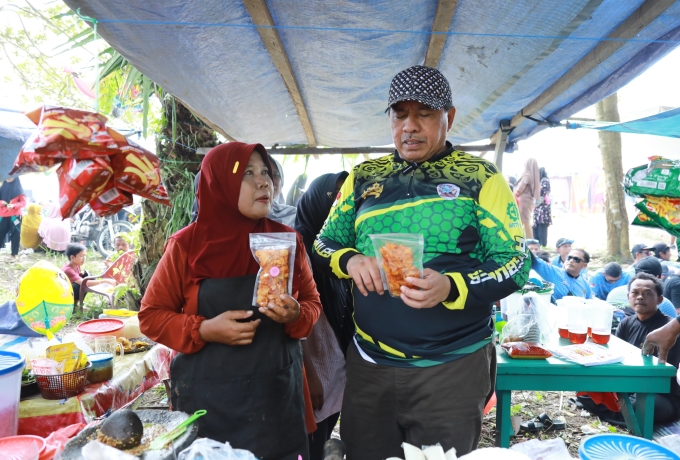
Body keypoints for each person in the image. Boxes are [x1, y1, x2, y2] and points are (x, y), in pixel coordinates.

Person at [313, 65, 529, 457]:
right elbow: (325, 242)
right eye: (400, 114)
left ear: (449, 117)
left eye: (424, 113)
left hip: (451, 368)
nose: (409, 126)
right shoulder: (363, 177)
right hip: (370, 363)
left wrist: (452, 286)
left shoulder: (480, 178)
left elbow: (515, 264)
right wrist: (351, 260)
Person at [139, 143, 321, 460]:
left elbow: (312, 304)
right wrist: (205, 329)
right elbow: (151, 316)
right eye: (248, 173)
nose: (264, 181)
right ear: (219, 183)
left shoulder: (287, 241)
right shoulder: (186, 246)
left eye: (265, 172)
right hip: (210, 404)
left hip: (275, 401)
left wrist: (295, 315)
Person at [295, 172, 351, 460]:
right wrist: (309, 377)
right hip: (313, 366)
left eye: (347, 197)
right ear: (318, 200)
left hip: (334, 366)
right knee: (309, 442)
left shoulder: (345, 248)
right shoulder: (295, 248)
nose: (342, 206)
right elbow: (293, 319)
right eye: (335, 198)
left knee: (323, 432)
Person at [578, 273, 680, 426]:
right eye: (635, 293)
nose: (640, 297)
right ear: (628, 296)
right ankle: (624, 416)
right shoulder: (626, 322)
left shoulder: (669, 330)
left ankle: (619, 415)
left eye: (647, 293)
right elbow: (616, 358)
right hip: (627, 386)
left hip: (660, 393)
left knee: (644, 405)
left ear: (659, 299)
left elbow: (663, 376)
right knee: (584, 390)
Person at [190, 155, 297, 227]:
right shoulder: (185, 241)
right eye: (249, 173)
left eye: (265, 172)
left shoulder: (294, 217)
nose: (267, 181)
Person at [606, 257, 677, 317]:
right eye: (634, 293)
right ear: (658, 277)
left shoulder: (613, 293)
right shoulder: (661, 302)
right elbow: (676, 330)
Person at [514, 158, 540, 239]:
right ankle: (524, 239)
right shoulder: (534, 176)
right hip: (529, 200)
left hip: (523, 200)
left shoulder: (527, 175)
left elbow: (521, 187)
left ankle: (529, 241)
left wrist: (515, 194)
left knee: (525, 221)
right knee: (525, 220)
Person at [0, 178, 27, 257]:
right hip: (3, 216)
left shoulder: (19, 190)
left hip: (15, 217)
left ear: (15, 177)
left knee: (15, 234)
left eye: (11, 176)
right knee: (0, 233)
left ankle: (14, 254)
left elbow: (24, 202)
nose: (9, 178)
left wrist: (14, 205)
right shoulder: (1, 188)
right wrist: (1, 203)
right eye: (7, 176)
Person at [532, 167, 551, 247]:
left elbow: (542, 194)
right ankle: (538, 245)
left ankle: (542, 244)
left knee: (541, 228)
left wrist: (535, 204)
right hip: (539, 208)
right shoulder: (541, 181)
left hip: (542, 209)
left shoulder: (544, 181)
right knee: (537, 227)